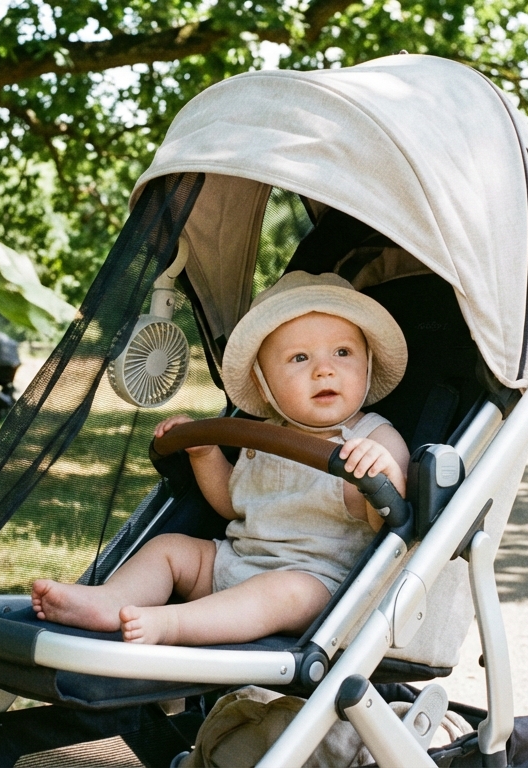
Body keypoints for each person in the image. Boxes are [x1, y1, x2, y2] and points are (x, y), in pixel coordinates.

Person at [31, 272, 409, 646]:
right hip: (236, 560)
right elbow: (233, 504)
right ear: (264, 383)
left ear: (368, 364)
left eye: (342, 352)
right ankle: (109, 601)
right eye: (299, 357)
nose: (324, 369)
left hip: (318, 585)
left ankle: (174, 624)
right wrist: (205, 453)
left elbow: (389, 524)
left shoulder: (375, 438)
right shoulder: (260, 436)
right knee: (170, 549)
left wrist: (384, 472)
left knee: (283, 592)